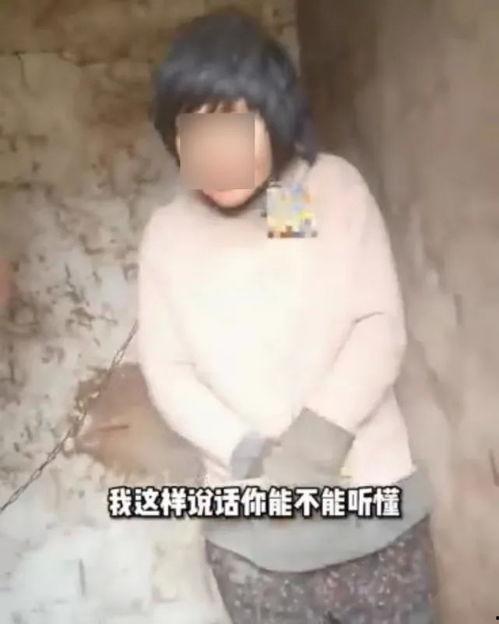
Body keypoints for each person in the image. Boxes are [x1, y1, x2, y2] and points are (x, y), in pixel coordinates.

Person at [138, 9, 438, 624]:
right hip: (253, 544)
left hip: (373, 519)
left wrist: (314, 446)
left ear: (273, 118)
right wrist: (249, 455)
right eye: (194, 128)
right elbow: (167, 370)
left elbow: (377, 323)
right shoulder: (167, 235)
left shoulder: (327, 189)